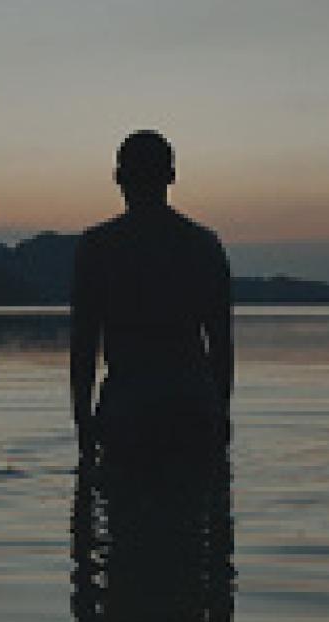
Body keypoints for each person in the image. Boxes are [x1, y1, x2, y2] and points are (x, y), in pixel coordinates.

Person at [69, 130, 233, 464]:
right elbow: (221, 344)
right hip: (192, 409)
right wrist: (220, 411)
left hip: (128, 411)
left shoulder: (98, 247)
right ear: (171, 176)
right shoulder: (203, 245)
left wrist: (83, 422)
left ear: (118, 178)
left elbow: (84, 346)